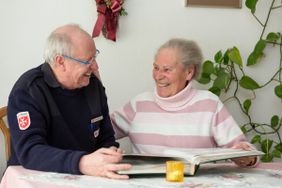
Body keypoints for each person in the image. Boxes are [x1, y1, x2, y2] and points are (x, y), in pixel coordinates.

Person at [7, 24, 131, 179]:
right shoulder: (28, 90)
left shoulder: (93, 86)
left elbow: (106, 139)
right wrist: (82, 163)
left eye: (95, 57)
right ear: (61, 62)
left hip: (84, 178)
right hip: (34, 179)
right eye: (88, 60)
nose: (95, 66)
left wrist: (110, 155)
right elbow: (30, 151)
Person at [111, 38, 258, 167]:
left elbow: (242, 149)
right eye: (156, 68)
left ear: (189, 72)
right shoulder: (139, 104)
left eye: (167, 69)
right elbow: (99, 132)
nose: (158, 76)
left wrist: (247, 158)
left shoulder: (209, 104)